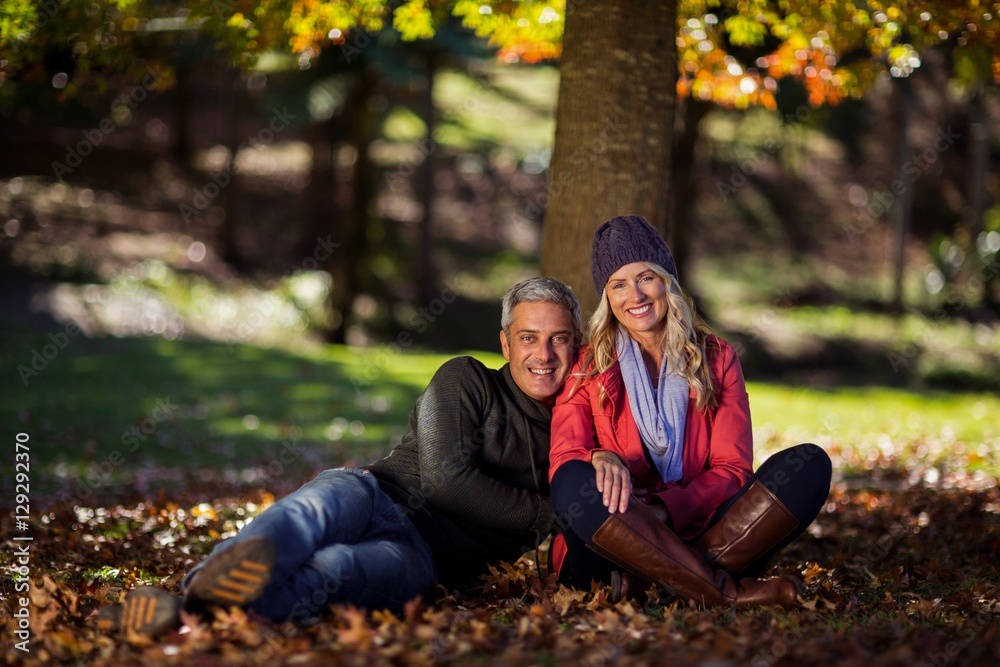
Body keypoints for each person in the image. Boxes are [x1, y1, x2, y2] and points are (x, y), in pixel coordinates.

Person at [116, 276, 582, 636]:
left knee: (336, 571)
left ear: (577, 344)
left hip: (423, 558)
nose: (543, 353)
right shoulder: (467, 379)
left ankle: (182, 614)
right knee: (309, 515)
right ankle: (203, 583)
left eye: (559, 338)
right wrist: (554, 515)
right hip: (374, 493)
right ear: (506, 343)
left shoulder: (577, 432)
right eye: (528, 337)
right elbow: (446, 482)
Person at [548, 215, 832, 609]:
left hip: (699, 525)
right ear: (607, 298)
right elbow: (564, 456)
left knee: (807, 466)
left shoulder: (716, 359)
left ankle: (655, 583)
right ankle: (721, 591)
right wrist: (600, 455)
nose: (635, 295)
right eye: (618, 285)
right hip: (615, 536)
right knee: (572, 481)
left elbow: (732, 471)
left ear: (667, 280)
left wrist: (666, 511)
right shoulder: (587, 365)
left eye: (645, 277)